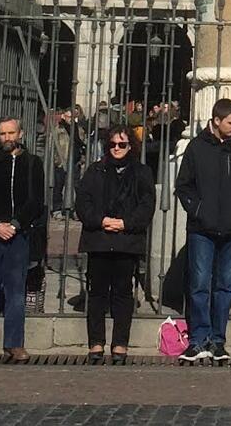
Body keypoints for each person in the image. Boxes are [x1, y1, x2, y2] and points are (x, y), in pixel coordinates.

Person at [173, 98, 231, 364]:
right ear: (216, 121)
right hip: (202, 229)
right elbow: (184, 186)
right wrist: (198, 210)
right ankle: (198, 339)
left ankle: (218, 340)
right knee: (200, 284)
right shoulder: (196, 148)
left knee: (225, 286)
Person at [77, 125, 154, 364]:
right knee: (97, 293)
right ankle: (96, 342)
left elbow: (146, 206)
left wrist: (124, 223)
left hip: (126, 241)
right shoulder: (95, 171)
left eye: (122, 144)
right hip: (99, 239)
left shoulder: (141, 172)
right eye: (112, 144)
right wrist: (102, 221)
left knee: (123, 294)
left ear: (131, 146)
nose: (117, 149)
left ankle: (120, 343)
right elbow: (83, 203)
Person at [0, 117, 45, 361]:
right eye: (3, 134)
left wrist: (14, 224)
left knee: (15, 291)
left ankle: (14, 343)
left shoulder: (33, 163)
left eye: (11, 133)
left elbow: (35, 201)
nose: (7, 138)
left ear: (20, 134)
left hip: (18, 234)